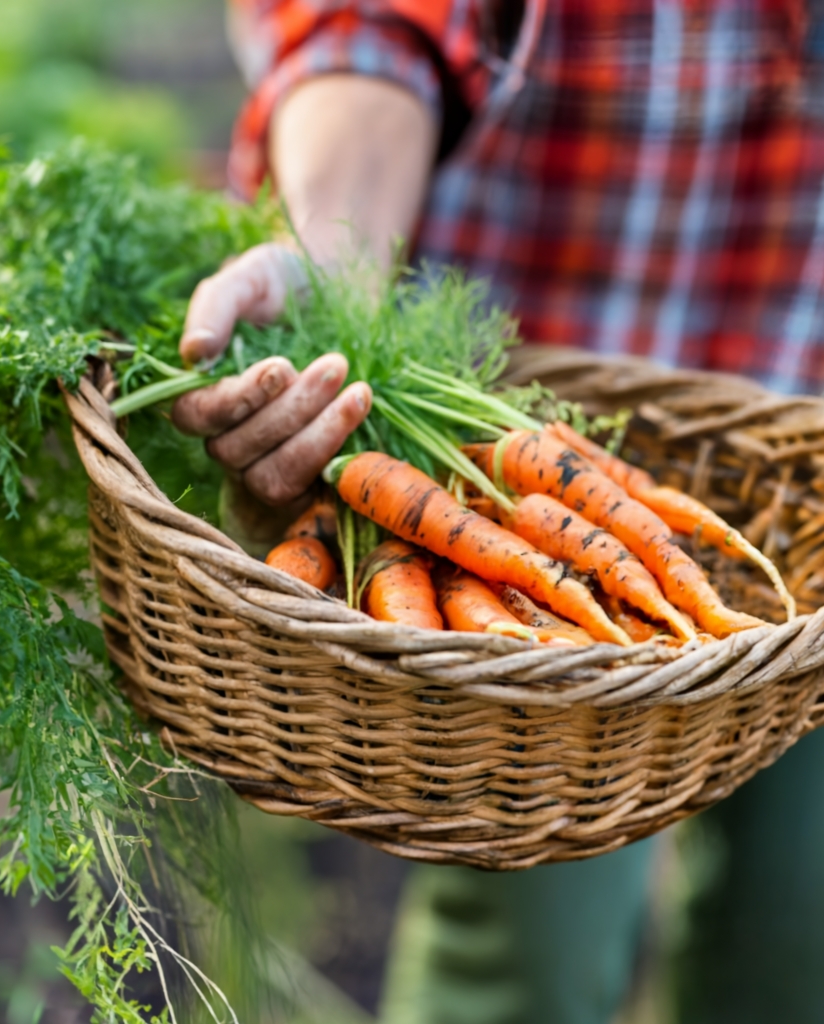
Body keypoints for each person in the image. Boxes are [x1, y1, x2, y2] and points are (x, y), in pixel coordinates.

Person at [172, 2, 824, 1021]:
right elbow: (370, 25)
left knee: (801, 929)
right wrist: (337, 268)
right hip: (510, 362)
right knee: (529, 955)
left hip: (797, 428)